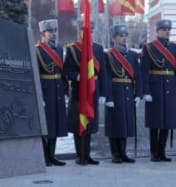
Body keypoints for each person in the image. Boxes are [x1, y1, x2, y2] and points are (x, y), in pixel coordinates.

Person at [63, 20, 108, 165]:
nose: (88, 33)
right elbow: (67, 71)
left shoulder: (98, 49)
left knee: (89, 123)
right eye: (84, 30)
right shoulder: (72, 49)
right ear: (79, 32)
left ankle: (87, 155)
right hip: (78, 91)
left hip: (93, 90)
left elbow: (103, 74)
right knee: (78, 124)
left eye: (91, 30)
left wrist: (103, 93)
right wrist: (77, 76)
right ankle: (79, 155)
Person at [142, 19, 176, 162]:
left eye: (168, 29)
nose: (167, 32)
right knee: (155, 121)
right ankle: (154, 152)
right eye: (164, 29)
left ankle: (162, 151)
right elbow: (144, 71)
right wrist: (146, 91)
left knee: (167, 120)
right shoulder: (149, 48)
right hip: (155, 87)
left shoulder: (175, 48)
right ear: (157, 31)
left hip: (170, 86)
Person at [104, 24, 142, 163]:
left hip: (128, 92)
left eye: (125, 35)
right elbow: (106, 77)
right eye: (121, 35)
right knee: (115, 124)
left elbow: (137, 75)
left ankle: (123, 153)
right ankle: (115, 154)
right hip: (115, 92)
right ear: (114, 38)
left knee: (125, 123)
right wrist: (108, 96)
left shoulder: (131, 55)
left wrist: (138, 94)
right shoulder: (108, 55)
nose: (124, 38)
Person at [35, 19, 68, 166]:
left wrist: (65, 89)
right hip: (45, 89)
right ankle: (44, 156)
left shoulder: (60, 49)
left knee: (56, 122)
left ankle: (52, 155)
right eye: (50, 31)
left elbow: (63, 71)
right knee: (46, 123)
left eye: (55, 31)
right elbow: (35, 74)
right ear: (43, 33)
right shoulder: (37, 49)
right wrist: (39, 95)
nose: (54, 34)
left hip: (58, 88)